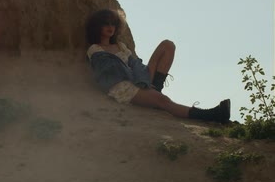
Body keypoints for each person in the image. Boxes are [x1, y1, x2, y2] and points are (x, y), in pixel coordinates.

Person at [85, 9, 230, 123]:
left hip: (137, 79)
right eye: (106, 23)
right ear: (98, 26)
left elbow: (135, 64)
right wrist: (140, 81)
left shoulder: (120, 46)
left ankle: (155, 88)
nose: (110, 27)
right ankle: (213, 115)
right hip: (123, 87)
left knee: (167, 45)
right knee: (164, 101)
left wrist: (143, 79)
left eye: (113, 23)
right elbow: (113, 74)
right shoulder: (95, 50)